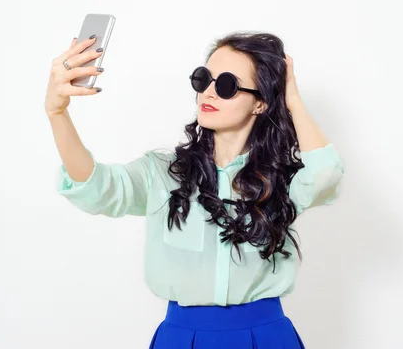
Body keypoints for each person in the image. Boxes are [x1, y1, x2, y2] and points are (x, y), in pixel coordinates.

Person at [45, 31, 345, 348]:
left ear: (260, 102)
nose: (208, 93)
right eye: (203, 80)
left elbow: (325, 174)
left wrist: (293, 101)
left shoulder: (279, 179)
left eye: (227, 85)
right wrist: (57, 113)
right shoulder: (163, 172)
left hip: (266, 336)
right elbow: (97, 188)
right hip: (183, 337)